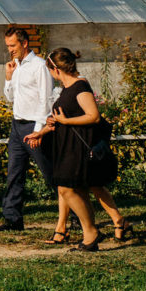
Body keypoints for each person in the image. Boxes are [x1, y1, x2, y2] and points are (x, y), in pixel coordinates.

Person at [24, 48, 127, 251]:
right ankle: (91, 234)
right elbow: (59, 120)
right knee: (76, 189)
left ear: (56, 69)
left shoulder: (80, 87)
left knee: (66, 188)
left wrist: (66, 120)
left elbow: (93, 116)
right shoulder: (66, 88)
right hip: (66, 146)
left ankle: (91, 232)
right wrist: (42, 132)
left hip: (78, 148)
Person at [0, 26, 55, 231]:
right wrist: (8, 77)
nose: (10, 49)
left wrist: (38, 130)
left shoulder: (40, 66)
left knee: (51, 172)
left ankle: (75, 214)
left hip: (34, 125)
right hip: (17, 125)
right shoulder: (16, 66)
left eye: (13, 45)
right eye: (8, 46)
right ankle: (13, 218)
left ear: (24, 43)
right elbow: (10, 98)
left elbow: (46, 100)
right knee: (14, 173)